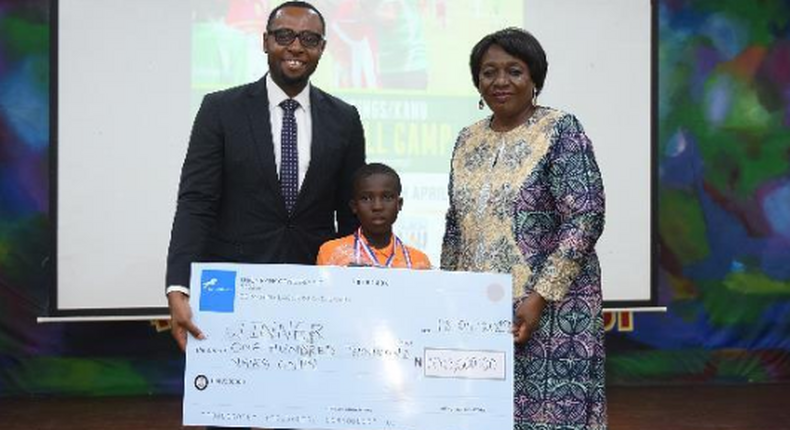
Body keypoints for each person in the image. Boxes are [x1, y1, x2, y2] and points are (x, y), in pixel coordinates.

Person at [166, 1, 366, 353]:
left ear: (321, 48)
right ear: (265, 42)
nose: (295, 47)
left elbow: (351, 215)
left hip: (314, 288)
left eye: (309, 38)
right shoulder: (220, 110)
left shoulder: (345, 119)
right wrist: (178, 285)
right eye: (284, 36)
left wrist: (357, 289)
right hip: (232, 286)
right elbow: (196, 202)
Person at [441, 28, 607, 430]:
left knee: (545, 418)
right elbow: (456, 224)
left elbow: (585, 217)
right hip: (480, 311)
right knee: (481, 414)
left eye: (514, 71)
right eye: (488, 72)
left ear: (535, 79)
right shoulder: (467, 139)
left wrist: (537, 298)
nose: (500, 81)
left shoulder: (560, 130)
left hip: (550, 312)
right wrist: (446, 297)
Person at [317, 162, 431, 269]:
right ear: (354, 206)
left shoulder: (418, 262)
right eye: (366, 198)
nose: (377, 207)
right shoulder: (332, 254)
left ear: (399, 204)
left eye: (387, 197)